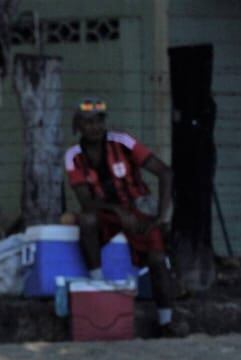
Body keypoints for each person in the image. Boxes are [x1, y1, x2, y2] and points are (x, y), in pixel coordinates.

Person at [65, 98, 182, 337]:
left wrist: (161, 215)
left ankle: (165, 322)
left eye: (99, 121)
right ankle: (98, 285)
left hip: (138, 209)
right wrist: (118, 211)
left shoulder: (123, 142)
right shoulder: (73, 155)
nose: (94, 127)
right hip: (105, 214)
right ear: (78, 126)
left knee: (158, 260)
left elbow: (165, 172)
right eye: (87, 122)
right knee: (86, 220)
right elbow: (86, 201)